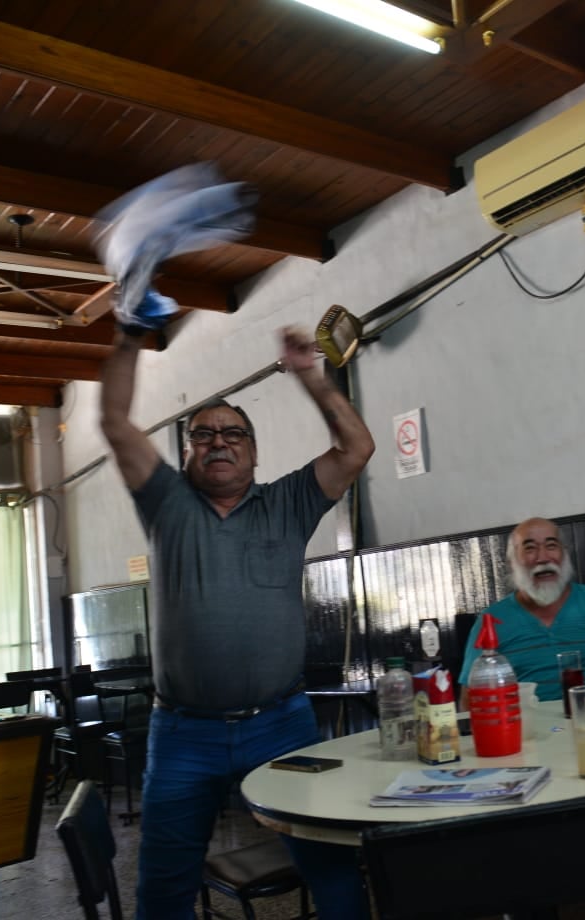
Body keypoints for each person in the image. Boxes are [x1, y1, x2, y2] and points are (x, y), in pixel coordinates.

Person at [99, 321, 375, 920]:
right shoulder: (167, 503)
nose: (219, 442)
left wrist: (310, 377)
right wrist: (128, 337)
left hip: (282, 724)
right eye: (204, 435)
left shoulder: (287, 502)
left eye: (234, 434)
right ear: (188, 451)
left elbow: (356, 448)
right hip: (183, 735)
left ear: (253, 450)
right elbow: (116, 424)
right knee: (164, 886)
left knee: (331, 865)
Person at [457, 517, 585, 706]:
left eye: (551, 545)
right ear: (511, 562)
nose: (543, 558)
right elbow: (469, 699)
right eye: (530, 548)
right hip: (526, 730)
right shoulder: (491, 620)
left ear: (564, 553)